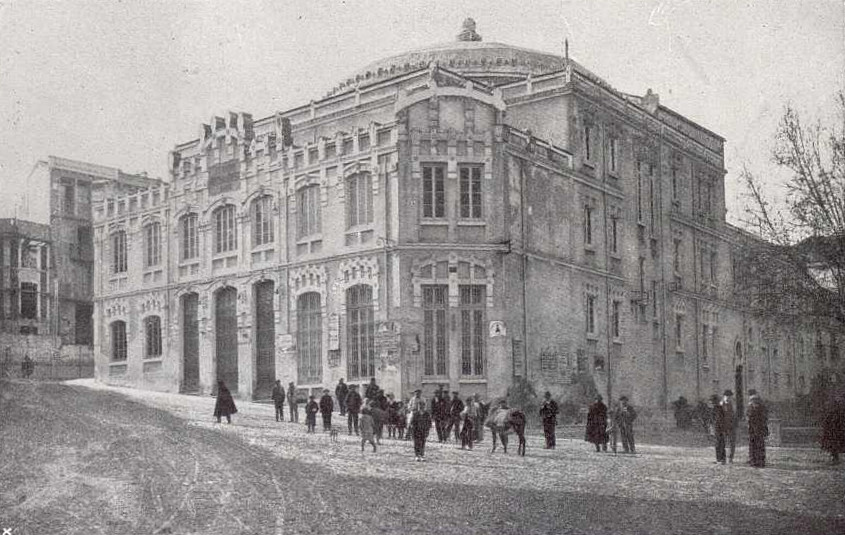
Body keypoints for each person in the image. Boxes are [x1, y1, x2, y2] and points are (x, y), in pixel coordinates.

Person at [820, 393, 845, 465]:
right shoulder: (836, 411)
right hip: (835, 431)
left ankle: (835, 457)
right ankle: (835, 457)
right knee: (835, 445)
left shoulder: (834, 411)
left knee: (835, 446)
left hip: (835, 431)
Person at [747, 391, 769, 468]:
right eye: (753, 401)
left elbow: (764, 420)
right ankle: (754, 461)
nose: (754, 403)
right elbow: (749, 419)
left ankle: (759, 461)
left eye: (755, 401)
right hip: (753, 430)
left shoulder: (761, 409)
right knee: (754, 446)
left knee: (759, 446)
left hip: (758, 430)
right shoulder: (751, 408)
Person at [411, 397, 432, 462]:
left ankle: (422, 455)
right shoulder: (415, 414)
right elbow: (412, 423)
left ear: (424, 406)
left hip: (423, 430)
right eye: (419, 405)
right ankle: (417, 455)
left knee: (423, 443)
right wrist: (413, 430)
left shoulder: (427, 414)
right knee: (416, 443)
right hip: (416, 430)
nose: (421, 407)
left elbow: (429, 423)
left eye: (422, 405)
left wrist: (427, 430)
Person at [721, 390, 738, 463]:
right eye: (727, 396)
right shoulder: (721, 404)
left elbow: (735, 415)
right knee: (723, 443)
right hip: (724, 426)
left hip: (731, 426)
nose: (728, 398)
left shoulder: (733, 405)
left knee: (732, 443)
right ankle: (723, 458)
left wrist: (735, 424)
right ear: (724, 396)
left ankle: (730, 458)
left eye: (730, 397)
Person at [710, 394, 728, 464]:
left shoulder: (717, 408)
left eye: (712, 401)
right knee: (719, 444)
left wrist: (718, 428)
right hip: (717, 428)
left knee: (719, 444)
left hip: (719, 428)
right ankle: (720, 459)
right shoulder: (717, 408)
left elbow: (718, 419)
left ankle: (721, 459)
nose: (711, 403)